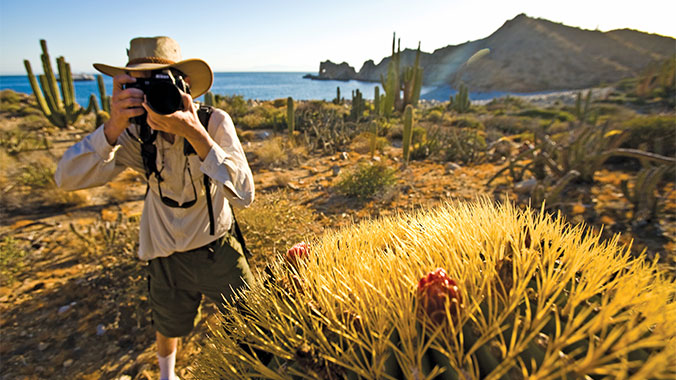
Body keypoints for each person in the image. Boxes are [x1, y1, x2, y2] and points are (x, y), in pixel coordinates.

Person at [55, 36, 255, 380]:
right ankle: (167, 375)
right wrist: (113, 126)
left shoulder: (213, 122)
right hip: (164, 250)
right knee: (167, 321)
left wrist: (198, 137)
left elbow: (245, 193)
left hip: (215, 247)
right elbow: (67, 179)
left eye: (160, 82)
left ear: (184, 85)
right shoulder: (132, 134)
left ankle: (259, 368)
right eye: (140, 84)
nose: (151, 94)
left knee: (250, 318)